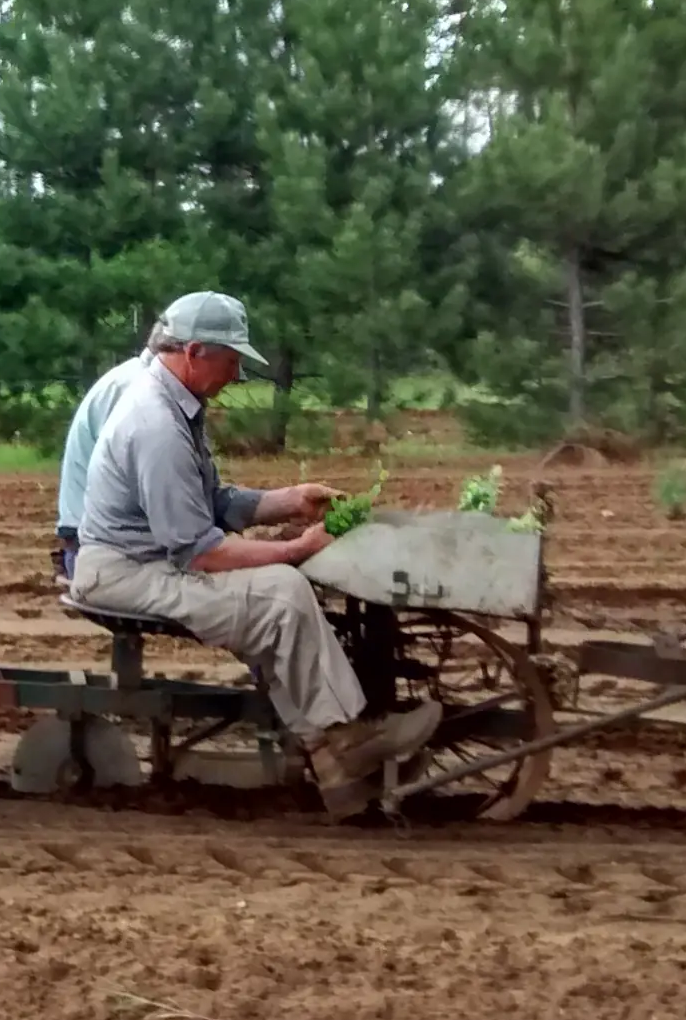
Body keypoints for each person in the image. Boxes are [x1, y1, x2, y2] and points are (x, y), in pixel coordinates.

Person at [67, 291, 441, 821]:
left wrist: (288, 500)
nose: (237, 374)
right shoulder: (155, 425)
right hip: (125, 573)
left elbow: (214, 501)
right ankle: (348, 739)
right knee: (281, 595)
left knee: (273, 598)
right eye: (232, 359)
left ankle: (337, 766)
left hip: (147, 560)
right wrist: (292, 551)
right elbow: (198, 551)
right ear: (195, 352)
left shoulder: (174, 406)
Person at [53, 293, 200, 581]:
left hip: (98, 541)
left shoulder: (138, 382)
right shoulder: (137, 393)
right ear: (188, 354)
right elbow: (162, 492)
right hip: (103, 552)